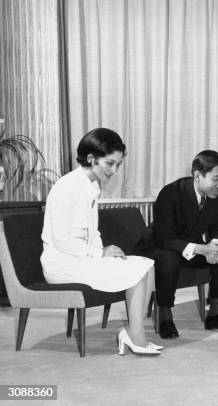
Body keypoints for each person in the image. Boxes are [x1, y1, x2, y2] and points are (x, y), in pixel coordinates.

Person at [41, 128, 162, 356]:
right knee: (136, 270)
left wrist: (104, 252)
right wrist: (99, 254)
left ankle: (134, 331)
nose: (114, 170)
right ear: (90, 159)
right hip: (61, 263)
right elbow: (60, 239)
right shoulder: (66, 186)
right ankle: (136, 336)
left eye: (118, 165)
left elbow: (92, 232)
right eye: (110, 163)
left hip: (82, 259)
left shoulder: (92, 186)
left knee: (147, 264)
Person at [151, 150, 218, 339]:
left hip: (189, 247)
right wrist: (201, 248)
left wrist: (215, 244)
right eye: (216, 179)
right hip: (159, 247)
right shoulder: (171, 193)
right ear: (197, 175)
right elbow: (166, 238)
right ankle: (165, 318)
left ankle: (215, 314)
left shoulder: (217, 193)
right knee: (169, 259)